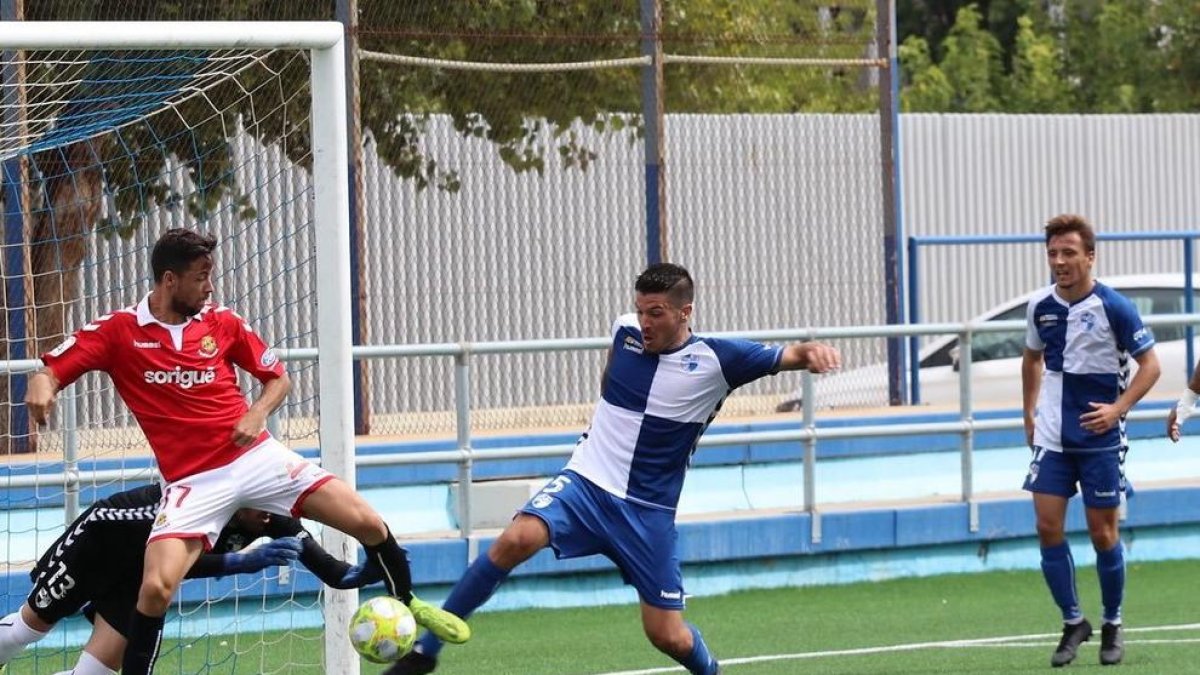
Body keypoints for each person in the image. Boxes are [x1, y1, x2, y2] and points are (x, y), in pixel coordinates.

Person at [23, 228, 470, 675]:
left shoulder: (224, 323)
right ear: (169, 280)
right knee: (156, 588)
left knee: (367, 522)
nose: (210, 286)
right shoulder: (120, 331)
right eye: (201, 277)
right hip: (193, 482)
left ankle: (409, 601)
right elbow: (54, 368)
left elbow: (277, 378)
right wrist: (43, 389)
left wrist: (256, 413)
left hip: (258, 460)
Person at [385, 262, 842, 675]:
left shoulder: (720, 360)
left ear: (686, 312)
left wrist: (814, 352)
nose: (645, 322)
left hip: (647, 511)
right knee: (516, 538)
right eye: (641, 310)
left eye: (657, 312)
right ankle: (425, 654)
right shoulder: (624, 331)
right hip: (586, 482)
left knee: (667, 636)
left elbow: (790, 355)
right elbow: (611, 382)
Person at [0, 483, 383, 675]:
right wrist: (239, 562)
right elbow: (174, 559)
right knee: (28, 630)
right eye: (261, 507)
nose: (270, 517)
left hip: (143, 577)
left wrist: (372, 569)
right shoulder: (204, 505)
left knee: (95, 673)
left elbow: (334, 572)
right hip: (99, 546)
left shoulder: (274, 515)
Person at [1020, 214, 1160, 668]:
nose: (1059, 262)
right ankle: (1073, 621)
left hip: (1100, 438)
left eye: (1068, 253)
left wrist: (1118, 409)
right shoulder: (1039, 306)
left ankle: (1113, 622)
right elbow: (1031, 360)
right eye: (1053, 254)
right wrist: (1029, 414)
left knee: (1103, 534)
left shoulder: (1114, 306)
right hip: (1052, 436)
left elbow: (1151, 366)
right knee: (1046, 526)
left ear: (1089, 256)